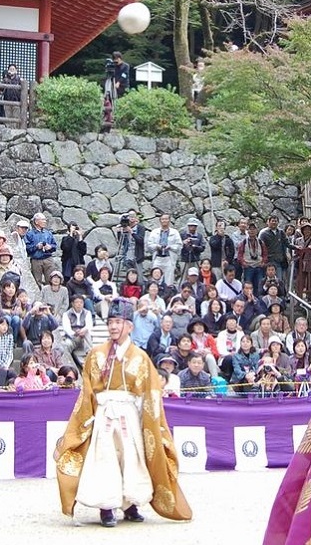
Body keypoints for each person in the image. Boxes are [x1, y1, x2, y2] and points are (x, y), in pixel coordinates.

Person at [55, 297, 192, 527]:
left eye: (118, 322)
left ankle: (131, 503)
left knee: (132, 456)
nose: (113, 326)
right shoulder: (96, 354)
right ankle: (107, 506)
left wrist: (146, 419)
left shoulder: (140, 357)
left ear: (129, 325)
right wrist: (88, 416)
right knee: (105, 456)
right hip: (105, 411)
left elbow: (150, 393)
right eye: (110, 322)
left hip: (129, 412)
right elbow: (88, 389)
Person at [146, 213, 182, 286]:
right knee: (155, 276)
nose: (164, 221)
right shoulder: (154, 232)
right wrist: (156, 246)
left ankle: (168, 293)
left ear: (169, 220)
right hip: (158, 257)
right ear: (160, 221)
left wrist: (170, 247)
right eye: (163, 219)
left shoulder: (175, 232)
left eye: (166, 219)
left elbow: (179, 245)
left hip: (169, 258)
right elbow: (149, 245)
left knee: (169, 278)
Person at [25, 212, 57, 285]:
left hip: (48, 259)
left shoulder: (48, 233)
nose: (45, 221)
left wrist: (50, 247)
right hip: (36, 260)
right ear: (36, 221)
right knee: (36, 281)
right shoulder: (30, 234)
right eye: (43, 220)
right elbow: (27, 248)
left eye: (45, 220)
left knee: (51, 279)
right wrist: (36, 247)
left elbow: (54, 246)